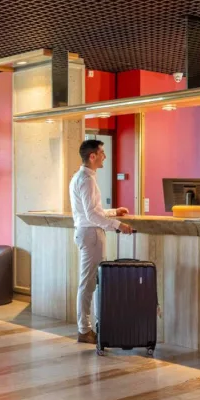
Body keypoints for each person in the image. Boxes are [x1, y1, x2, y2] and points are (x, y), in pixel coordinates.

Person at [69, 139, 132, 344]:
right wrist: (118, 225)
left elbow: (93, 211)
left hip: (87, 233)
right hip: (91, 235)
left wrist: (113, 212)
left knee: (91, 283)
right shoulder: (87, 180)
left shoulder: (80, 177)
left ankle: (90, 327)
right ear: (92, 156)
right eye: (102, 153)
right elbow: (92, 215)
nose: (105, 156)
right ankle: (84, 330)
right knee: (88, 284)